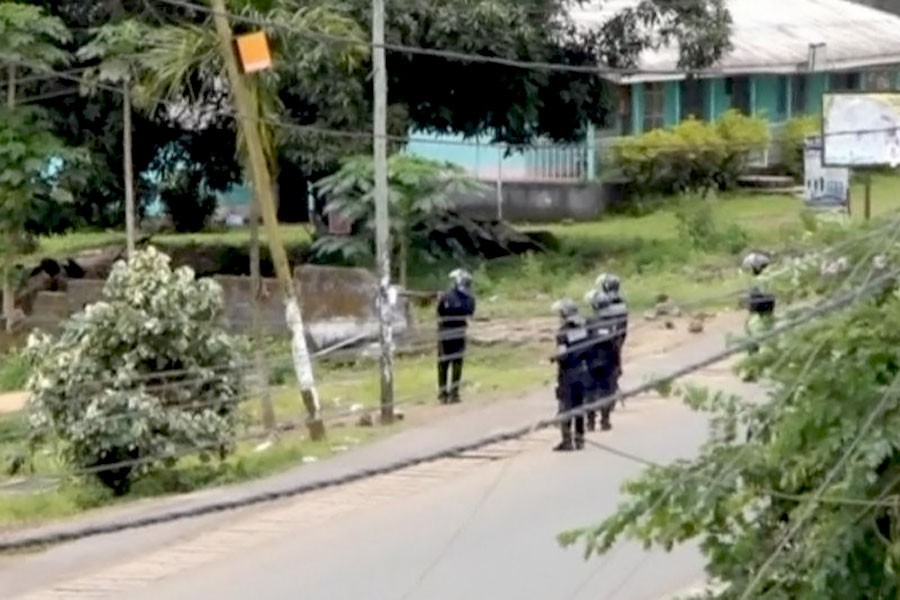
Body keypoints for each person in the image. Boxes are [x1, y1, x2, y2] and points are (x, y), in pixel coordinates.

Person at [550, 298, 592, 451]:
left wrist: (553, 358)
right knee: (579, 406)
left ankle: (567, 441)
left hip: (568, 373)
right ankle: (580, 440)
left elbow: (563, 354)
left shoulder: (563, 332)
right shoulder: (585, 328)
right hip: (584, 370)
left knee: (565, 406)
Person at [436, 268, 476, 404]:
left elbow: (440, 311)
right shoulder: (469, 299)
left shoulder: (445, 296)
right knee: (457, 362)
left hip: (445, 331)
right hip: (459, 331)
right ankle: (454, 392)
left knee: (443, 363)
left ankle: (443, 393)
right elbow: (470, 313)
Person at [585, 289, 622, 431]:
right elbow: (616, 344)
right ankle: (605, 420)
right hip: (609, 361)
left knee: (590, 392)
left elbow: (585, 342)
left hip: (592, 361)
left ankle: (590, 422)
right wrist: (618, 364)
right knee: (607, 391)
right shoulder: (614, 322)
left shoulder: (589, 321)